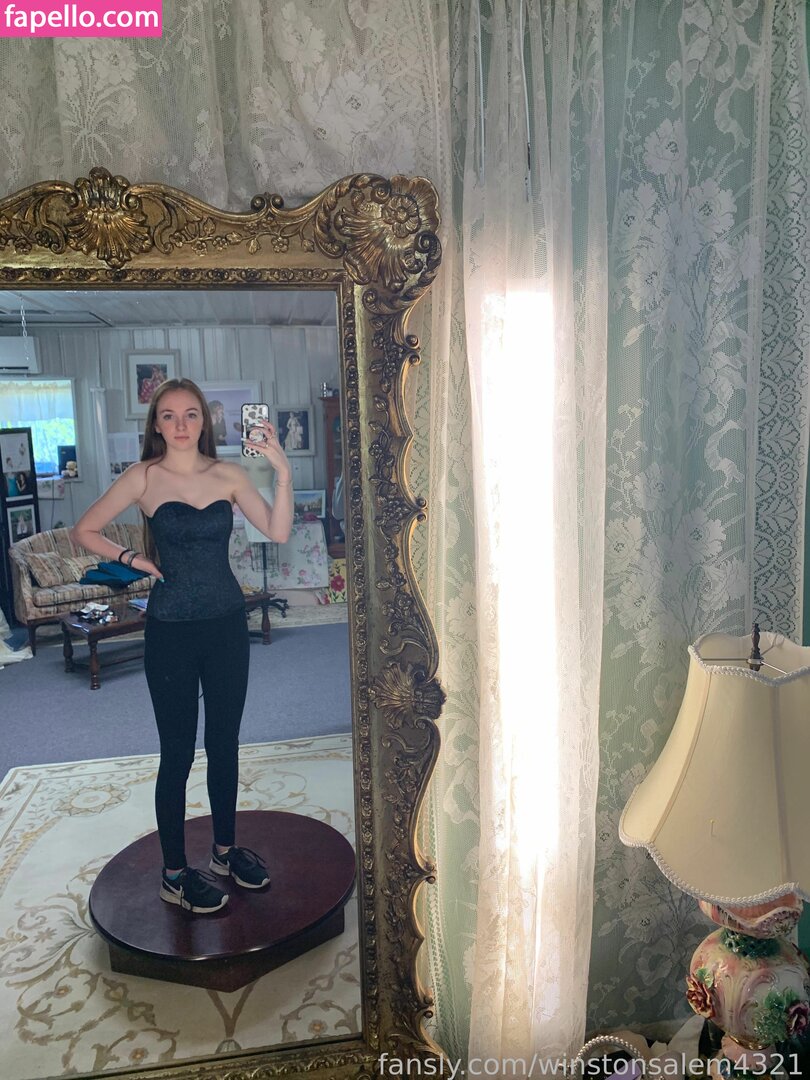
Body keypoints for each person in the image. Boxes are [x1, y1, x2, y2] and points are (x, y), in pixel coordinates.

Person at [71, 378, 294, 915]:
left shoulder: (229, 475)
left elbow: (278, 530)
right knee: (177, 754)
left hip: (226, 627)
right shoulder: (144, 477)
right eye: (168, 415)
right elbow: (86, 530)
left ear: (204, 421)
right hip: (170, 630)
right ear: (156, 423)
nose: (180, 424)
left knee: (224, 744)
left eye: (190, 414)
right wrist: (133, 560)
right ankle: (174, 874)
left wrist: (282, 472)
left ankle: (224, 852)